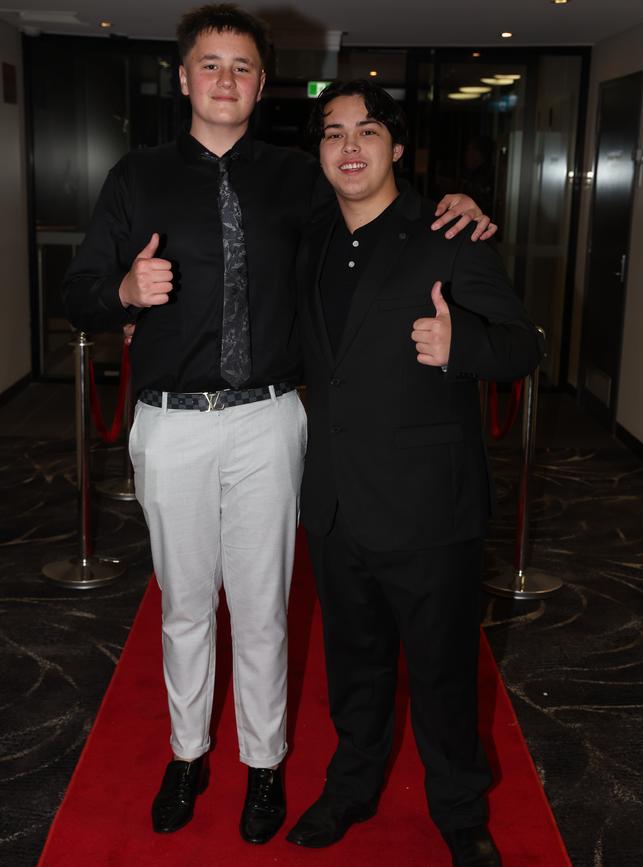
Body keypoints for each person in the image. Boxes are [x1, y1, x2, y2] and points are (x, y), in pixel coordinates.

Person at [61, 4, 494, 846]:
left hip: (268, 419)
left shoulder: (298, 178)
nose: (227, 80)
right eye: (211, 65)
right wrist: (120, 293)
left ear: (263, 84)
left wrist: (455, 201)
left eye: (244, 67)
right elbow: (77, 289)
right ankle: (187, 754)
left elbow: (378, 214)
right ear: (184, 77)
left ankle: (265, 763)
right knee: (185, 603)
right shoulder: (135, 176)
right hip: (171, 422)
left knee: (263, 606)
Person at [286, 80, 544, 866]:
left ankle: (460, 810)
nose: (351, 145)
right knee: (354, 666)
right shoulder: (311, 239)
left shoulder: (448, 231)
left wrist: (461, 343)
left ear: (397, 146)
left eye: (368, 130)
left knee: (441, 674)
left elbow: (524, 343)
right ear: (321, 153)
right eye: (334, 133)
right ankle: (353, 785)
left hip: (430, 508)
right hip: (335, 502)